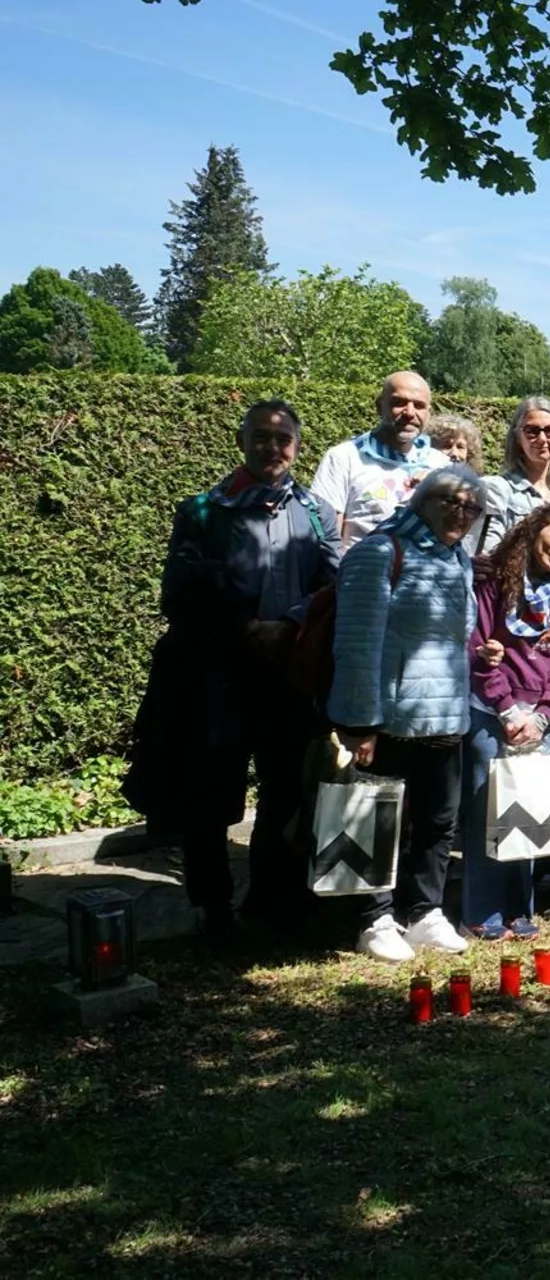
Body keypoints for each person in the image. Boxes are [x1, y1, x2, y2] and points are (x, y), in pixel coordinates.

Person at [126, 399, 340, 940]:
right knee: (211, 792)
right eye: (262, 437)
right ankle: (212, 905)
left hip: (289, 669)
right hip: (219, 673)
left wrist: (289, 623)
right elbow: (177, 594)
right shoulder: (202, 510)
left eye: (283, 438)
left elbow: (334, 584)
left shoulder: (315, 512)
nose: (273, 447)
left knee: (286, 790)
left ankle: (271, 898)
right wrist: (244, 623)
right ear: (242, 441)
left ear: (297, 445)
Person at [329, 465, 484, 962]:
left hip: (445, 714)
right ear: (422, 500)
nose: (461, 513)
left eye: (471, 507)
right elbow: (357, 642)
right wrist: (359, 722)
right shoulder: (379, 552)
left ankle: (423, 912)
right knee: (374, 820)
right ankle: (373, 918)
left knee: (439, 820)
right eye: (451, 501)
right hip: (390, 717)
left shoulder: (459, 557)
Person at [460, 500, 550, 937]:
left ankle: (520, 909)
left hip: (542, 721)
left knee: (529, 815)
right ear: (535, 529)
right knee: (487, 813)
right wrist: (505, 707)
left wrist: (541, 716)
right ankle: (483, 913)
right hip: (491, 712)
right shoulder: (493, 583)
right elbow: (477, 647)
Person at [310, 371, 449, 551]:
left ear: (429, 413)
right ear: (379, 406)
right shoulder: (344, 457)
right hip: (361, 574)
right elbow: (326, 536)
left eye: (419, 405)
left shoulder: (442, 465)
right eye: (398, 403)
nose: (409, 412)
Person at [477, 397, 550, 555]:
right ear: (517, 437)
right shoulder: (498, 490)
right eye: (532, 431)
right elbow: (488, 554)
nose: (542, 439)